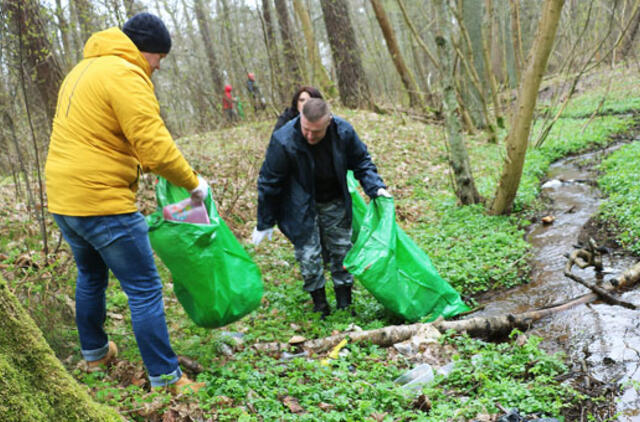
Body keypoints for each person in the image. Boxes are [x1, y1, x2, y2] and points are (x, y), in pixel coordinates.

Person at [45, 12, 206, 393]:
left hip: (64, 200)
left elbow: (101, 135)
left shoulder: (82, 71)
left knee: (91, 275)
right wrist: (192, 183)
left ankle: (95, 354)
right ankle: (167, 379)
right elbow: (154, 147)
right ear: (145, 50)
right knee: (144, 288)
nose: (157, 67)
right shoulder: (125, 73)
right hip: (102, 202)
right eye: (159, 59)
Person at [252, 98, 391, 317]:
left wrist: (376, 187)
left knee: (341, 250)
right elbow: (269, 181)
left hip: (333, 199)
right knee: (308, 256)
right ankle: (320, 305)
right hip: (298, 206)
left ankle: (345, 302)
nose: (310, 136)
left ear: (329, 122)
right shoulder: (284, 139)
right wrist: (265, 221)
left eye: (316, 132)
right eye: (306, 129)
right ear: (301, 120)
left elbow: (362, 162)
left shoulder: (343, 132)